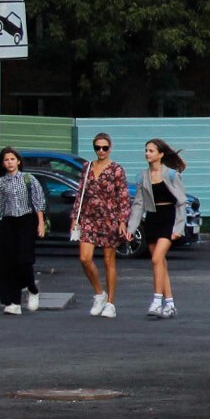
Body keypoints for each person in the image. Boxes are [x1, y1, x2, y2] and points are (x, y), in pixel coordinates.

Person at [74, 133, 131, 318]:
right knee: (84, 258)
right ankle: (99, 293)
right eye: (97, 147)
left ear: (110, 148)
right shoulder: (87, 167)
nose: (101, 151)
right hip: (89, 217)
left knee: (109, 261)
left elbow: (123, 196)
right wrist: (75, 218)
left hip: (110, 218)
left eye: (104, 148)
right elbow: (80, 193)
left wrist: (123, 220)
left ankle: (110, 303)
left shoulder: (116, 170)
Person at [132, 139, 188, 319]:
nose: (147, 153)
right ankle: (170, 303)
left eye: (151, 150)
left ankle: (156, 302)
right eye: (146, 150)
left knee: (156, 259)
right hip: (152, 219)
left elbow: (181, 202)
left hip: (168, 219)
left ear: (161, 154)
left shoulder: (171, 175)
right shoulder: (142, 177)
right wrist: (131, 228)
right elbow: (138, 204)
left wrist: (179, 227)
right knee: (160, 263)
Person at [0, 148, 46, 315]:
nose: (9, 162)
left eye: (12, 159)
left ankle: (32, 289)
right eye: (6, 160)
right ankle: (13, 302)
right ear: (2, 163)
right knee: (9, 262)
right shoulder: (1, 182)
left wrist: (40, 223)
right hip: (8, 222)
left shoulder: (28, 179)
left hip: (26, 220)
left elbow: (38, 201)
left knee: (23, 260)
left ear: (18, 161)